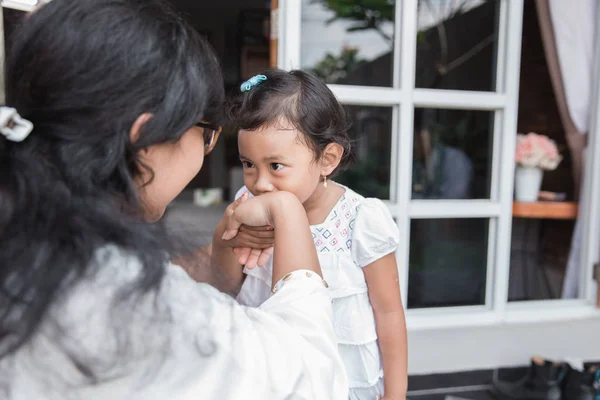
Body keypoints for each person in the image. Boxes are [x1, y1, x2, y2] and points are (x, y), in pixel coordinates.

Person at [0, 1, 349, 399]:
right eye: (205, 134)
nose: (258, 182)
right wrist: (288, 213)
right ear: (146, 141)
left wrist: (220, 249)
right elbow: (310, 374)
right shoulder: (131, 308)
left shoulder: (31, 236)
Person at [216, 69, 408, 400]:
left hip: (344, 380)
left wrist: (395, 395)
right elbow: (226, 286)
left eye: (275, 166)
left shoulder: (360, 221)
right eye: (249, 164)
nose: (260, 183)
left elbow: (389, 313)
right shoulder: (248, 208)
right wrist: (230, 233)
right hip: (270, 377)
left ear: (326, 159)